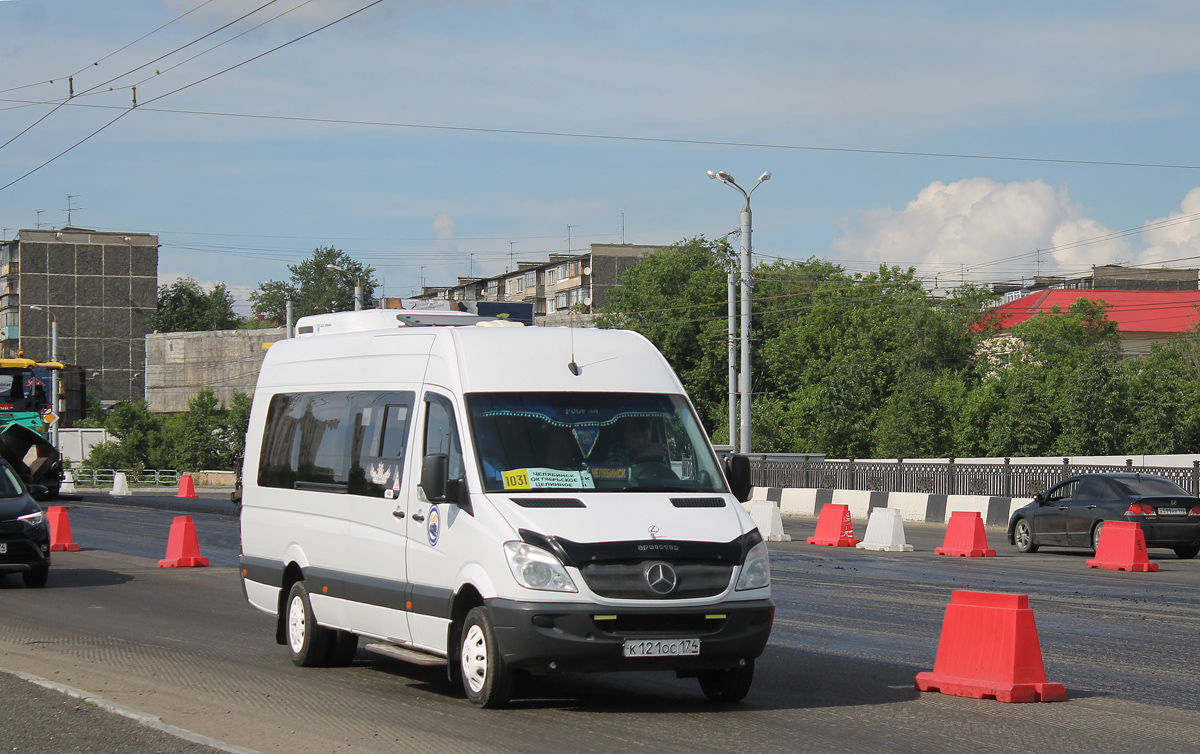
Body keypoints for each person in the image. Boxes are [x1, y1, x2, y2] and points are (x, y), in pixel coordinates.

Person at [605, 416, 669, 467]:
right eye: (636, 437)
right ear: (627, 436)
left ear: (650, 434)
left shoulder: (657, 451)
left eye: (645, 436)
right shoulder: (617, 450)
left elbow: (666, 475)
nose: (641, 441)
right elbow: (618, 475)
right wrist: (643, 456)